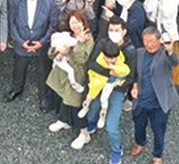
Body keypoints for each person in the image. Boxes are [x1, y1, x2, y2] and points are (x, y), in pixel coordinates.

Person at [76, 17, 137, 164]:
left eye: (117, 30)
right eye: (111, 30)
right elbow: (91, 63)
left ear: (124, 31)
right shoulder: (102, 43)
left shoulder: (130, 50)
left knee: (112, 127)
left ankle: (117, 149)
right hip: (100, 83)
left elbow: (131, 76)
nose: (113, 33)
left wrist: (117, 81)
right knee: (91, 112)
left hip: (117, 89)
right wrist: (109, 73)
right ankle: (91, 125)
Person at [6, 0, 59, 111]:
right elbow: (11, 23)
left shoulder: (50, 0)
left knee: (43, 71)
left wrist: (42, 42)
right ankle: (16, 89)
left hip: (41, 44)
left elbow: (53, 25)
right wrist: (19, 41)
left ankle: (44, 96)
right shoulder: (15, 0)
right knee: (19, 68)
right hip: (21, 42)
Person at [130, 27, 179, 164]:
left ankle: (157, 155)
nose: (149, 45)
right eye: (145, 41)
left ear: (159, 41)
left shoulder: (165, 54)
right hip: (141, 100)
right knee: (138, 124)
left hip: (159, 102)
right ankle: (140, 143)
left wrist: (170, 50)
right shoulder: (139, 53)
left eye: (152, 41)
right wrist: (135, 85)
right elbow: (135, 73)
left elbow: (174, 61)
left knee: (159, 130)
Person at [46, 12, 95, 148]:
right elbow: (52, 53)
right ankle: (64, 120)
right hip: (63, 73)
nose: (75, 25)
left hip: (77, 75)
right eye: (72, 22)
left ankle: (84, 134)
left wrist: (77, 44)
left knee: (76, 105)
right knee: (64, 98)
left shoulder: (88, 38)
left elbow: (81, 59)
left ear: (84, 22)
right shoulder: (68, 35)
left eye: (78, 22)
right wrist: (58, 50)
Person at [78, 40, 131, 128]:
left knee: (104, 99)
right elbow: (92, 70)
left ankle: (102, 116)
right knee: (90, 94)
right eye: (109, 58)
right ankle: (85, 106)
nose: (111, 60)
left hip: (110, 83)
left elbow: (126, 71)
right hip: (98, 80)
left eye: (114, 58)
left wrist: (114, 67)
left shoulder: (119, 60)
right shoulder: (100, 59)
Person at [143, 0, 179, 85]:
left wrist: (161, 0)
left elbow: (169, 14)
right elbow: (149, 11)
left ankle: (171, 82)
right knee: (156, 57)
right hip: (156, 31)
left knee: (171, 57)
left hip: (169, 32)